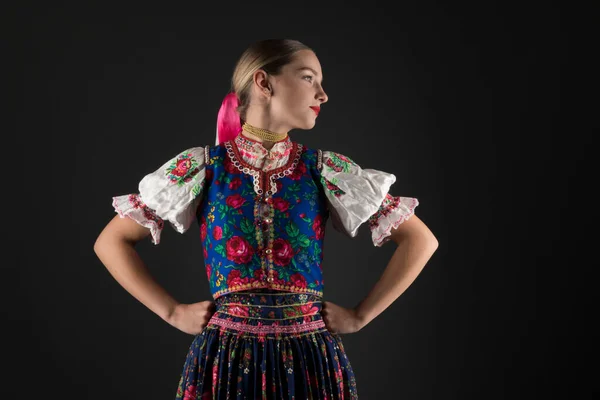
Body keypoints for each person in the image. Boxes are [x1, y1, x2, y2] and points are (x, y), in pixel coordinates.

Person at [93, 39, 439, 399]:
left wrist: (359, 316)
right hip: (225, 358)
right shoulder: (203, 166)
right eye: (309, 78)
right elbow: (111, 241)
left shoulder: (325, 169)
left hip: (309, 358)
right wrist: (171, 312)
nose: (322, 95)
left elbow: (421, 239)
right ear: (264, 82)